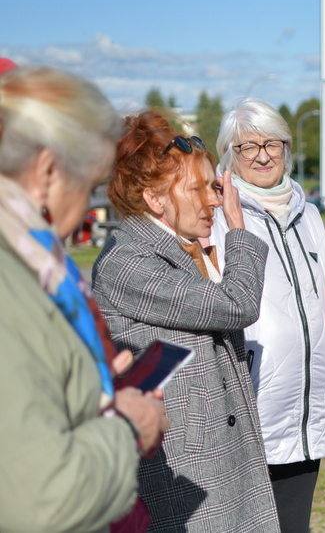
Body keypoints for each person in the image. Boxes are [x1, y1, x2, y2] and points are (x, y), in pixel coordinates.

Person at [91, 110, 279, 531]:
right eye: (198, 188)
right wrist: (238, 228)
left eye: (214, 187)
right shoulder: (129, 264)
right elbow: (238, 303)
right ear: (155, 199)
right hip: (186, 474)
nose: (214, 199)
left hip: (215, 461)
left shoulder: (179, 248)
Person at [0, 66, 168, 531]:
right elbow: (40, 497)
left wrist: (89, 380)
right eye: (91, 185)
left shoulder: (32, 257)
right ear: (48, 172)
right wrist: (129, 428)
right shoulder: (13, 275)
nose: (82, 217)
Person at [210, 97, 325, 533]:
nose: (263, 155)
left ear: (288, 148)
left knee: (294, 523)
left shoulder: (308, 214)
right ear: (229, 156)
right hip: (252, 399)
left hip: (308, 398)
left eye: (273, 143)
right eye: (247, 147)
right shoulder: (215, 215)